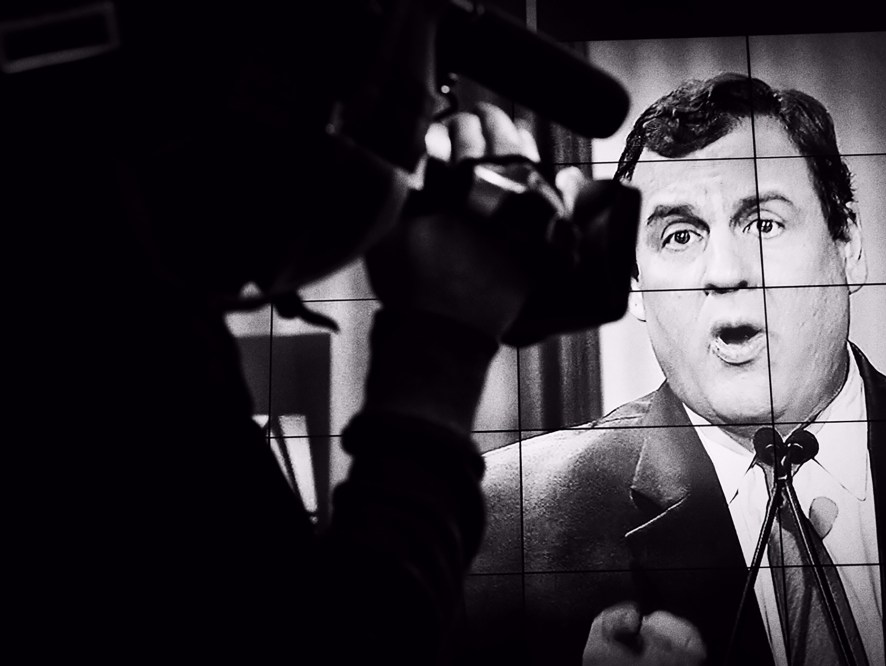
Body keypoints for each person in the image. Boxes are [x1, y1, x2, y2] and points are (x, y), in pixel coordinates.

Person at [2, 3, 598, 662]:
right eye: (410, 105)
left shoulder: (109, 277)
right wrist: (441, 348)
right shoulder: (107, 329)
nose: (409, 154)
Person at [465, 74, 886, 665]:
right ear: (635, 285)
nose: (723, 271)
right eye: (680, 235)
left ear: (847, 244)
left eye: (763, 224)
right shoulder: (501, 525)